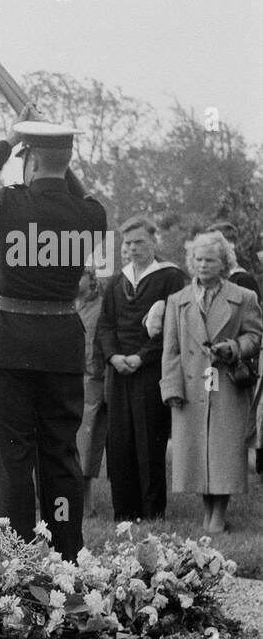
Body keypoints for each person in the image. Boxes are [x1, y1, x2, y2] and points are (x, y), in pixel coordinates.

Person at [0, 115, 108, 560]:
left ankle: (15, 554)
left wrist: (10, 140)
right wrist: (53, 154)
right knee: (61, 456)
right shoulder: (91, 215)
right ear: (68, 161)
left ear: (31, 161)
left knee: (13, 455)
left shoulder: (10, 206)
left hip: (9, 349)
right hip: (61, 347)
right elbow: (75, 192)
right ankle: (66, 550)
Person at [161, 230, 262, 533]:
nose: (203, 265)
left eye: (211, 260)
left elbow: (256, 337)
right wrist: (171, 388)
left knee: (223, 452)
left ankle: (218, 516)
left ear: (224, 263)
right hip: (192, 387)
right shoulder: (177, 301)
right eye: (199, 259)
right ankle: (208, 513)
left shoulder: (243, 298)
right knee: (198, 452)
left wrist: (233, 347)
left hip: (226, 382)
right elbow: (171, 349)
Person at [97, 216, 186, 521]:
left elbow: (173, 328)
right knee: (119, 441)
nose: (132, 248)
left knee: (149, 441)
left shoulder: (170, 277)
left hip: (150, 370)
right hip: (118, 370)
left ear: (153, 241)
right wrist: (112, 357)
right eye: (128, 243)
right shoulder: (116, 281)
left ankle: (151, 512)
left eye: (139, 242)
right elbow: (105, 325)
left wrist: (141, 357)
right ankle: (124, 511)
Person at [74, 265, 108, 514]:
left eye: (80, 274)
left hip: (91, 380)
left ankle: (86, 499)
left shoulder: (102, 306)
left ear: (90, 278)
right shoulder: (63, 303)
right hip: (63, 379)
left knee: (87, 440)